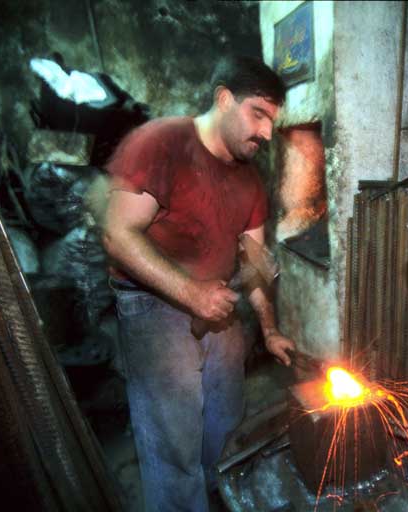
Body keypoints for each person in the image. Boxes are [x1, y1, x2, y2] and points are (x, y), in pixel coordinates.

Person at [102, 55, 295, 512]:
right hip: (153, 306)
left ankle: (222, 500)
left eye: (273, 121)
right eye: (258, 114)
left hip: (218, 306)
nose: (267, 133)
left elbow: (254, 261)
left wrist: (269, 330)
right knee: (174, 444)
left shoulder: (250, 180)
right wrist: (192, 293)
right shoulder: (161, 143)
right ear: (224, 98)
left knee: (228, 428)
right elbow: (117, 234)